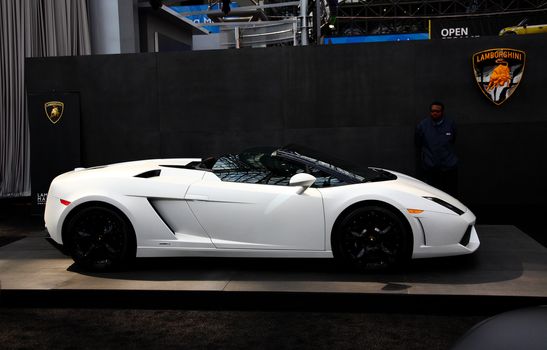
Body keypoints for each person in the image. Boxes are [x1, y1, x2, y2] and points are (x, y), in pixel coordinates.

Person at [415, 101, 458, 197]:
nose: (434, 113)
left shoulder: (450, 124)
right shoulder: (423, 125)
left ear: (442, 112)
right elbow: (418, 143)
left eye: (437, 111)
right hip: (431, 167)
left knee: (449, 195)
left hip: (448, 167)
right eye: (432, 111)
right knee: (432, 194)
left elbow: (453, 140)